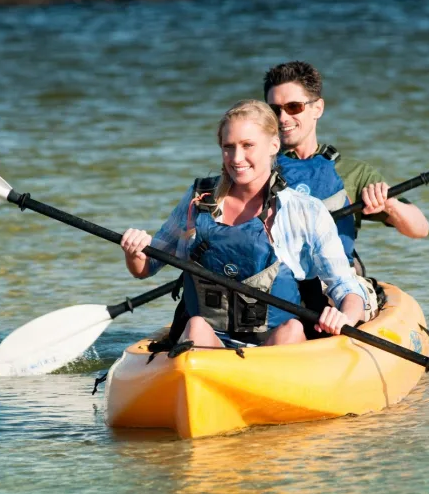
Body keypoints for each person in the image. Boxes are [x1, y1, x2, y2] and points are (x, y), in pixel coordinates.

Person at [119, 100, 366, 348]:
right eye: (228, 147)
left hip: (277, 346)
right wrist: (134, 250)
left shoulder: (305, 210)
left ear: (273, 145)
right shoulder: (199, 201)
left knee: (291, 329)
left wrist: (343, 316)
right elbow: (145, 268)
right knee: (195, 326)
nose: (236, 158)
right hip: (210, 344)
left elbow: (345, 286)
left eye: (248, 145)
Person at [263, 61, 429, 275]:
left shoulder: (352, 172)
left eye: (294, 107)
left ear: (317, 108)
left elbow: (420, 229)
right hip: (278, 280)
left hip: (335, 283)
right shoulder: (256, 167)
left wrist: (389, 204)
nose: (283, 118)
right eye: (274, 109)